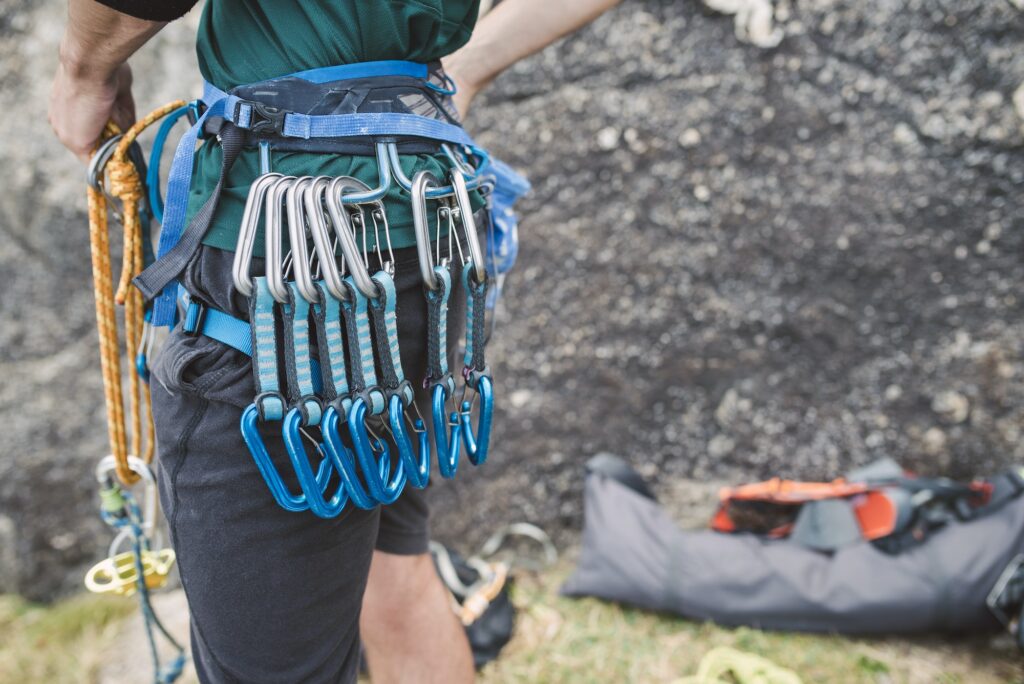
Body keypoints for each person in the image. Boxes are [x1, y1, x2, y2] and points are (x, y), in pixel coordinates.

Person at [49, 1, 620, 682]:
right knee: (391, 569)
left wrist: (82, 70)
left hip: (278, 256)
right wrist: (450, 67)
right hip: (411, 239)